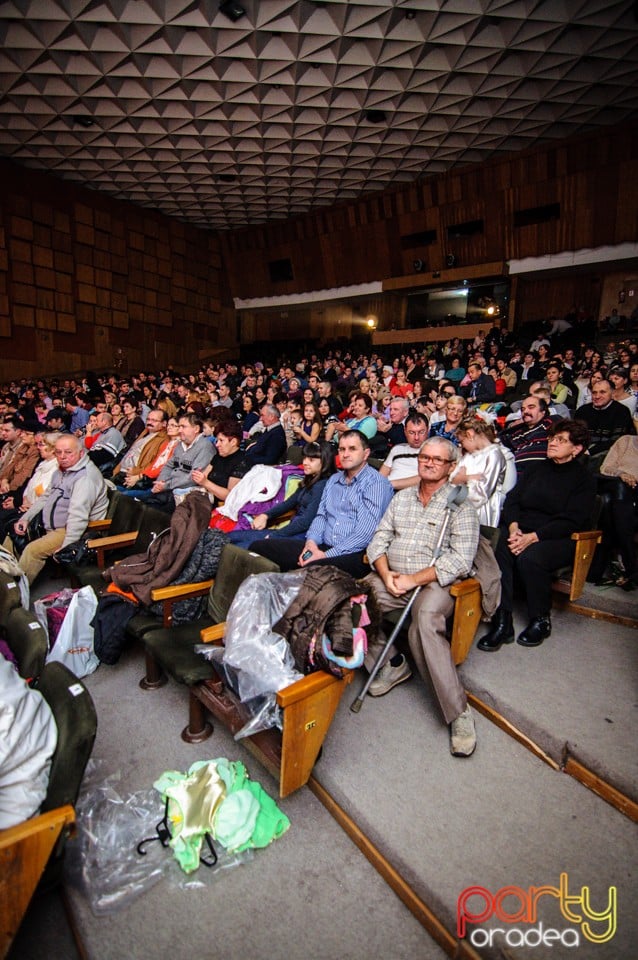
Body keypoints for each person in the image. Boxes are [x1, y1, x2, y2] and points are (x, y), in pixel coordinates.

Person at [363, 437, 480, 757]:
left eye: (437, 459)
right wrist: (386, 575)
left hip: (433, 583)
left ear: (450, 467)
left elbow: (460, 561)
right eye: (424, 457)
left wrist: (414, 578)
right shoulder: (401, 499)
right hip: (392, 578)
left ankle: (458, 713)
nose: (428, 462)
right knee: (351, 602)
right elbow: (378, 540)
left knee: (424, 623)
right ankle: (390, 662)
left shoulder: (461, 505)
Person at [477, 419, 596, 652]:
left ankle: (540, 619)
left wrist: (533, 537)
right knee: (497, 547)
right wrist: (513, 528)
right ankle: (503, 620)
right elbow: (512, 501)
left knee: (531, 557)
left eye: (561, 440)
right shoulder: (536, 469)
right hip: (520, 531)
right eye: (552, 438)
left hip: (557, 537)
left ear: (577, 448)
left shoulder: (584, 479)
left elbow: (573, 519)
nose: (552, 443)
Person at [251, 430, 393, 577]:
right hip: (322, 547)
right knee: (259, 547)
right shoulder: (333, 480)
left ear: (366, 453)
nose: (345, 454)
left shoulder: (376, 484)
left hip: (354, 553)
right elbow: (321, 517)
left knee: (308, 570)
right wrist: (311, 543)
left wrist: (325, 555)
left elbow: (364, 535)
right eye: (342, 449)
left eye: (352, 449)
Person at [7, 434, 109, 584]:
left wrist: (66, 547)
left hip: (71, 529)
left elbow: (78, 518)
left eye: (68, 452)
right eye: (58, 452)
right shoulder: (61, 470)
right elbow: (45, 497)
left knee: (32, 551)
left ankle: (14, 594)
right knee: (12, 535)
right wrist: (26, 518)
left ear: (81, 453)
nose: (62, 457)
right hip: (50, 523)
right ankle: (4, 579)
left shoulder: (85, 478)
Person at [230, 441, 334, 547]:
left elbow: (306, 522)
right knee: (230, 537)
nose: (305, 462)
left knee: (240, 547)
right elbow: (289, 502)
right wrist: (266, 515)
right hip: (291, 531)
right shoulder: (310, 479)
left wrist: (276, 535)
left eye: (311, 460)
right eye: (305, 458)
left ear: (324, 462)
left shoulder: (322, 485)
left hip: (302, 536)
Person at [450, 416, 515, 526]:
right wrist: (467, 478)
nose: (462, 446)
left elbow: (481, 493)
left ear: (470, 435)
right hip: (459, 504)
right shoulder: (469, 456)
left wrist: (462, 481)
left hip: (481, 510)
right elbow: (453, 479)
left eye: (462, 441)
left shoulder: (494, 455)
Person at [576, 379, 635, 468]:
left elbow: (617, 440)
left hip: (608, 451)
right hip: (581, 449)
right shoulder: (583, 410)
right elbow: (574, 435)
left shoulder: (621, 411)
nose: (597, 396)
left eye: (602, 392)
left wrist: (590, 451)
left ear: (612, 393)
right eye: (594, 393)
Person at [192, 419, 249, 504]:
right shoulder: (218, 456)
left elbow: (230, 495)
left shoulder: (242, 462)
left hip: (219, 505)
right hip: (204, 498)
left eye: (221, 440)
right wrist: (198, 476)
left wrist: (205, 482)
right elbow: (205, 475)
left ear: (233, 442)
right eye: (217, 440)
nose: (217, 444)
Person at [501, 396, 553, 476]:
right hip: (512, 472)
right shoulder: (518, 432)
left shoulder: (549, 423)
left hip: (539, 474)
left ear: (543, 411)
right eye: (523, 409)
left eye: (531, 407)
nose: (525, 411)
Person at [379, 413, 429, 490]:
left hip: (411, 493)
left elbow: (426, 477)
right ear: (405, 431)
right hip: (386, 491)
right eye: (411, 432)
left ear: (428, 430)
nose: (416, 437)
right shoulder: (397, 449)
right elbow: (381, 476)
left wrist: (389, 484)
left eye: (421, 432)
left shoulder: (433, 451)